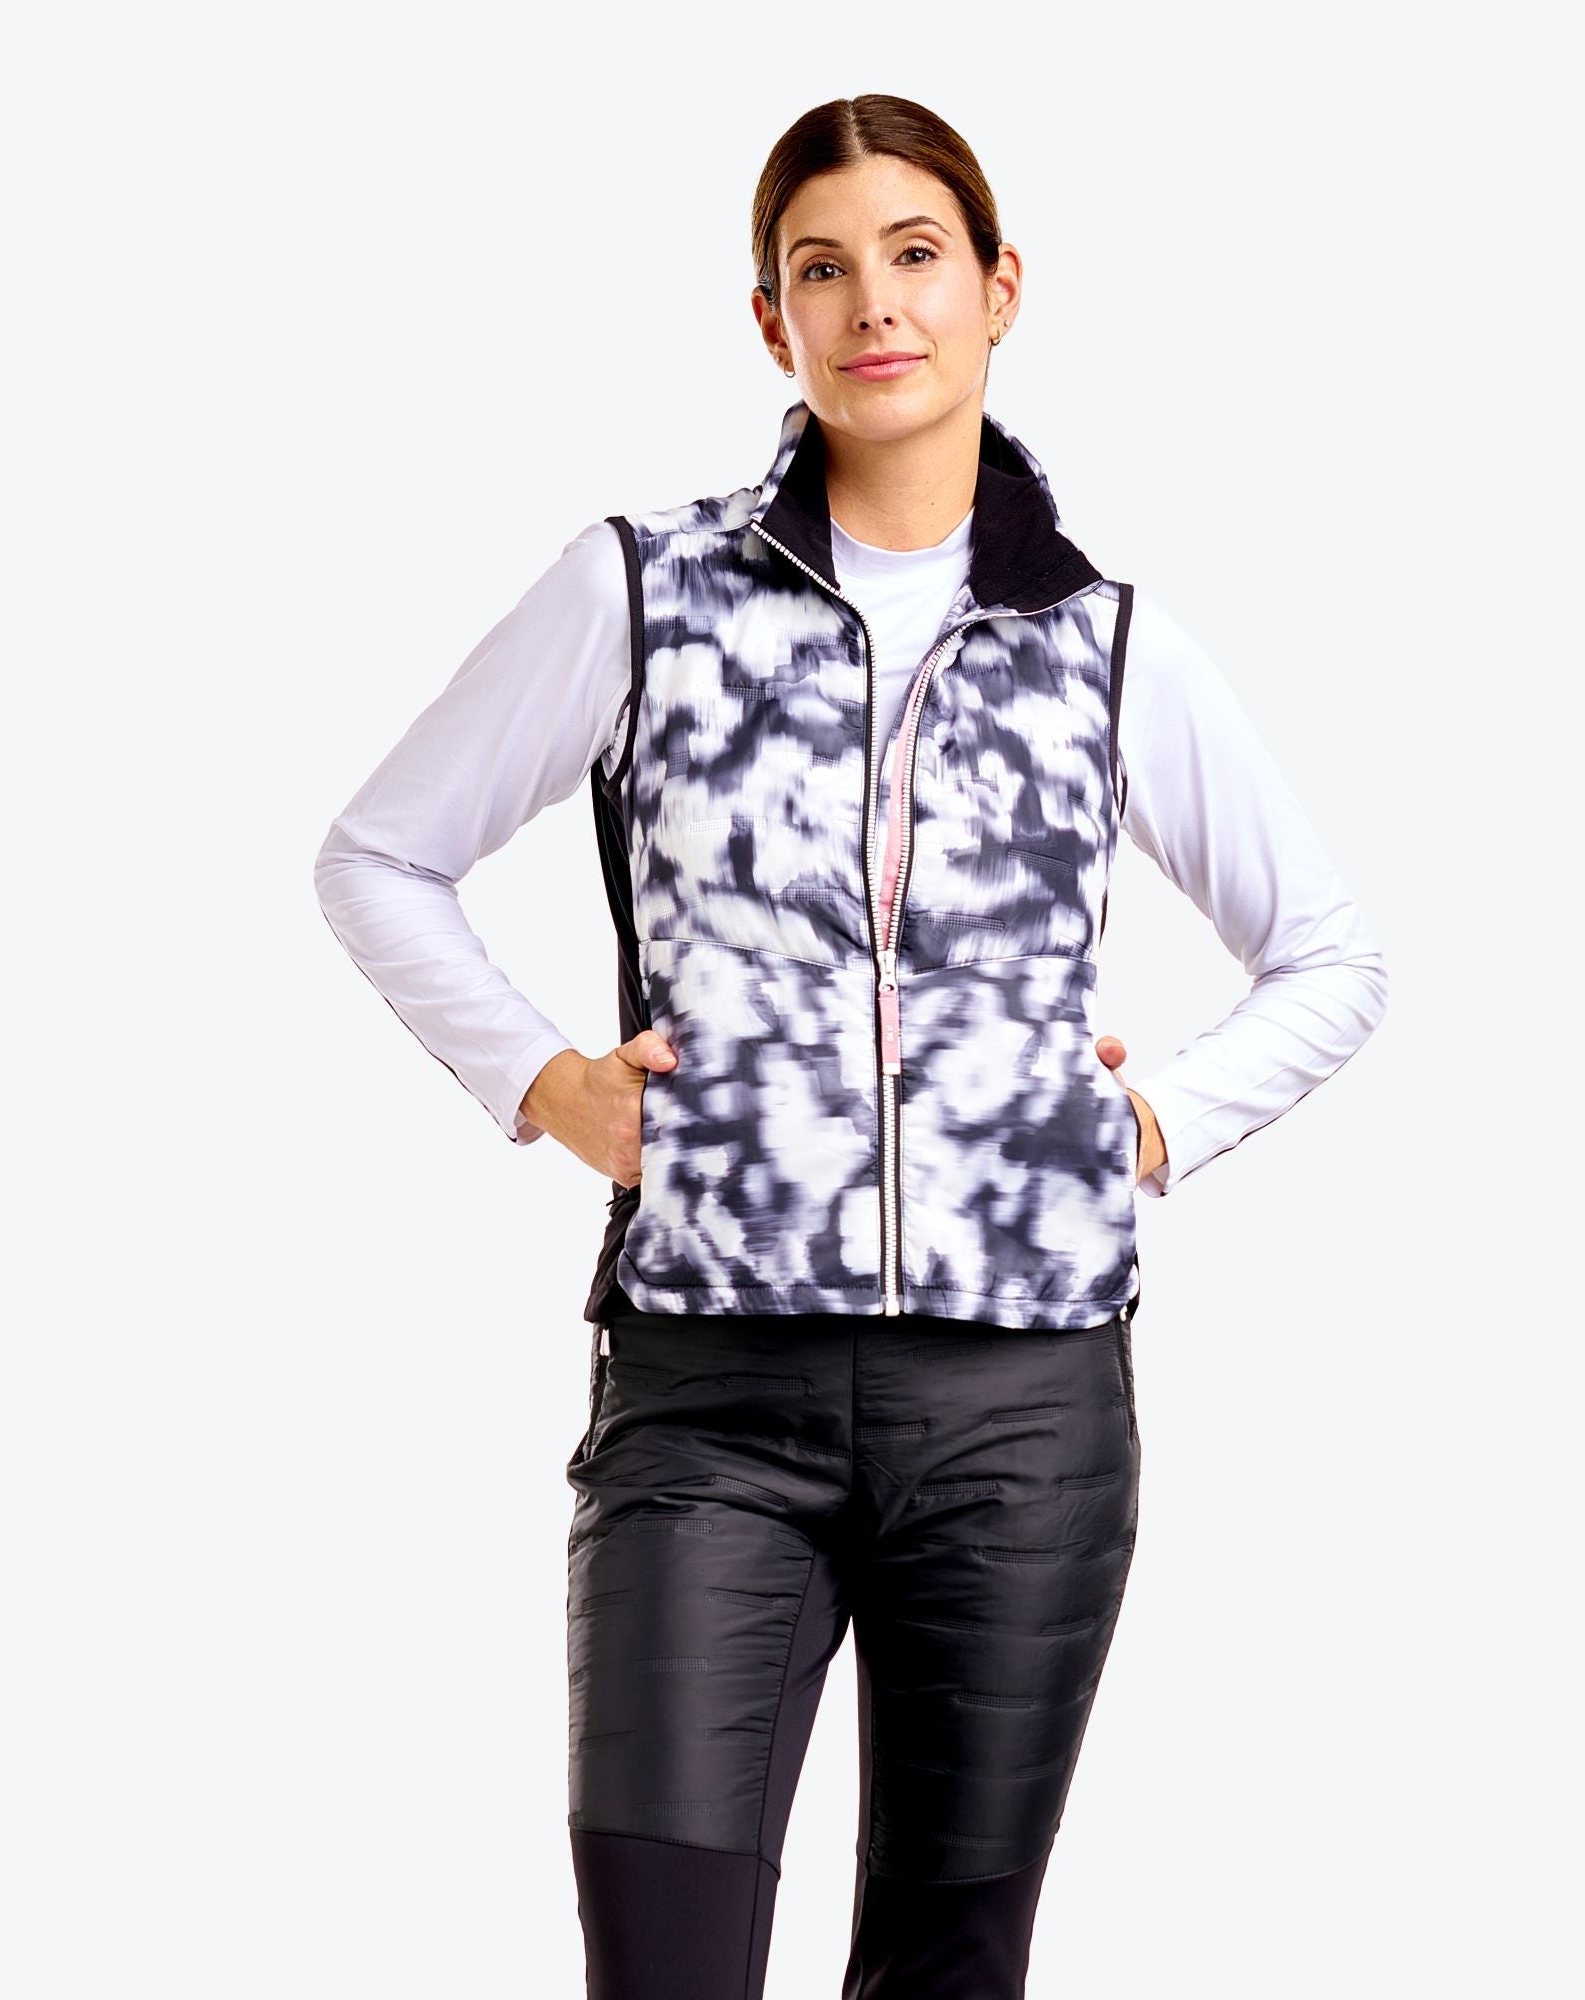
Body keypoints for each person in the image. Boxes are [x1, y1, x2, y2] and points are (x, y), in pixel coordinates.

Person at [314, 92, 1387, 2000]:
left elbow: (1329, 959)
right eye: (823, 268)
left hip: (1023, 1418)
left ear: (999, 290)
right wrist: (545, 1082)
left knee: (950, 1973)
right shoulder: (642, 591)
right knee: (665, 1960)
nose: (874, 303)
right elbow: (381, 856)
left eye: (915, 256)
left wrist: (1149, 1124)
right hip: (707, 1398)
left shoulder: (1108, 645)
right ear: (772, 322)